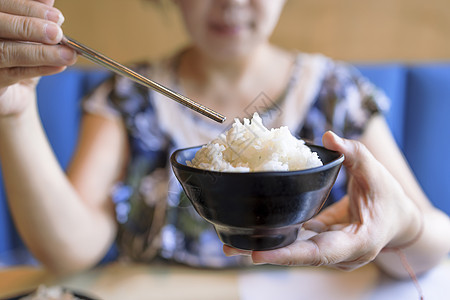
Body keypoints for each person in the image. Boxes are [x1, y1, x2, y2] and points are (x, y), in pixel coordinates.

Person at [0, 0, 449, 279]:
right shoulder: (126, 97)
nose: (231, 1)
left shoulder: (339, 95)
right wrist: (16, 111)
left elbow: (432, 244)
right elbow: (71, 248)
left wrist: (403, 227)